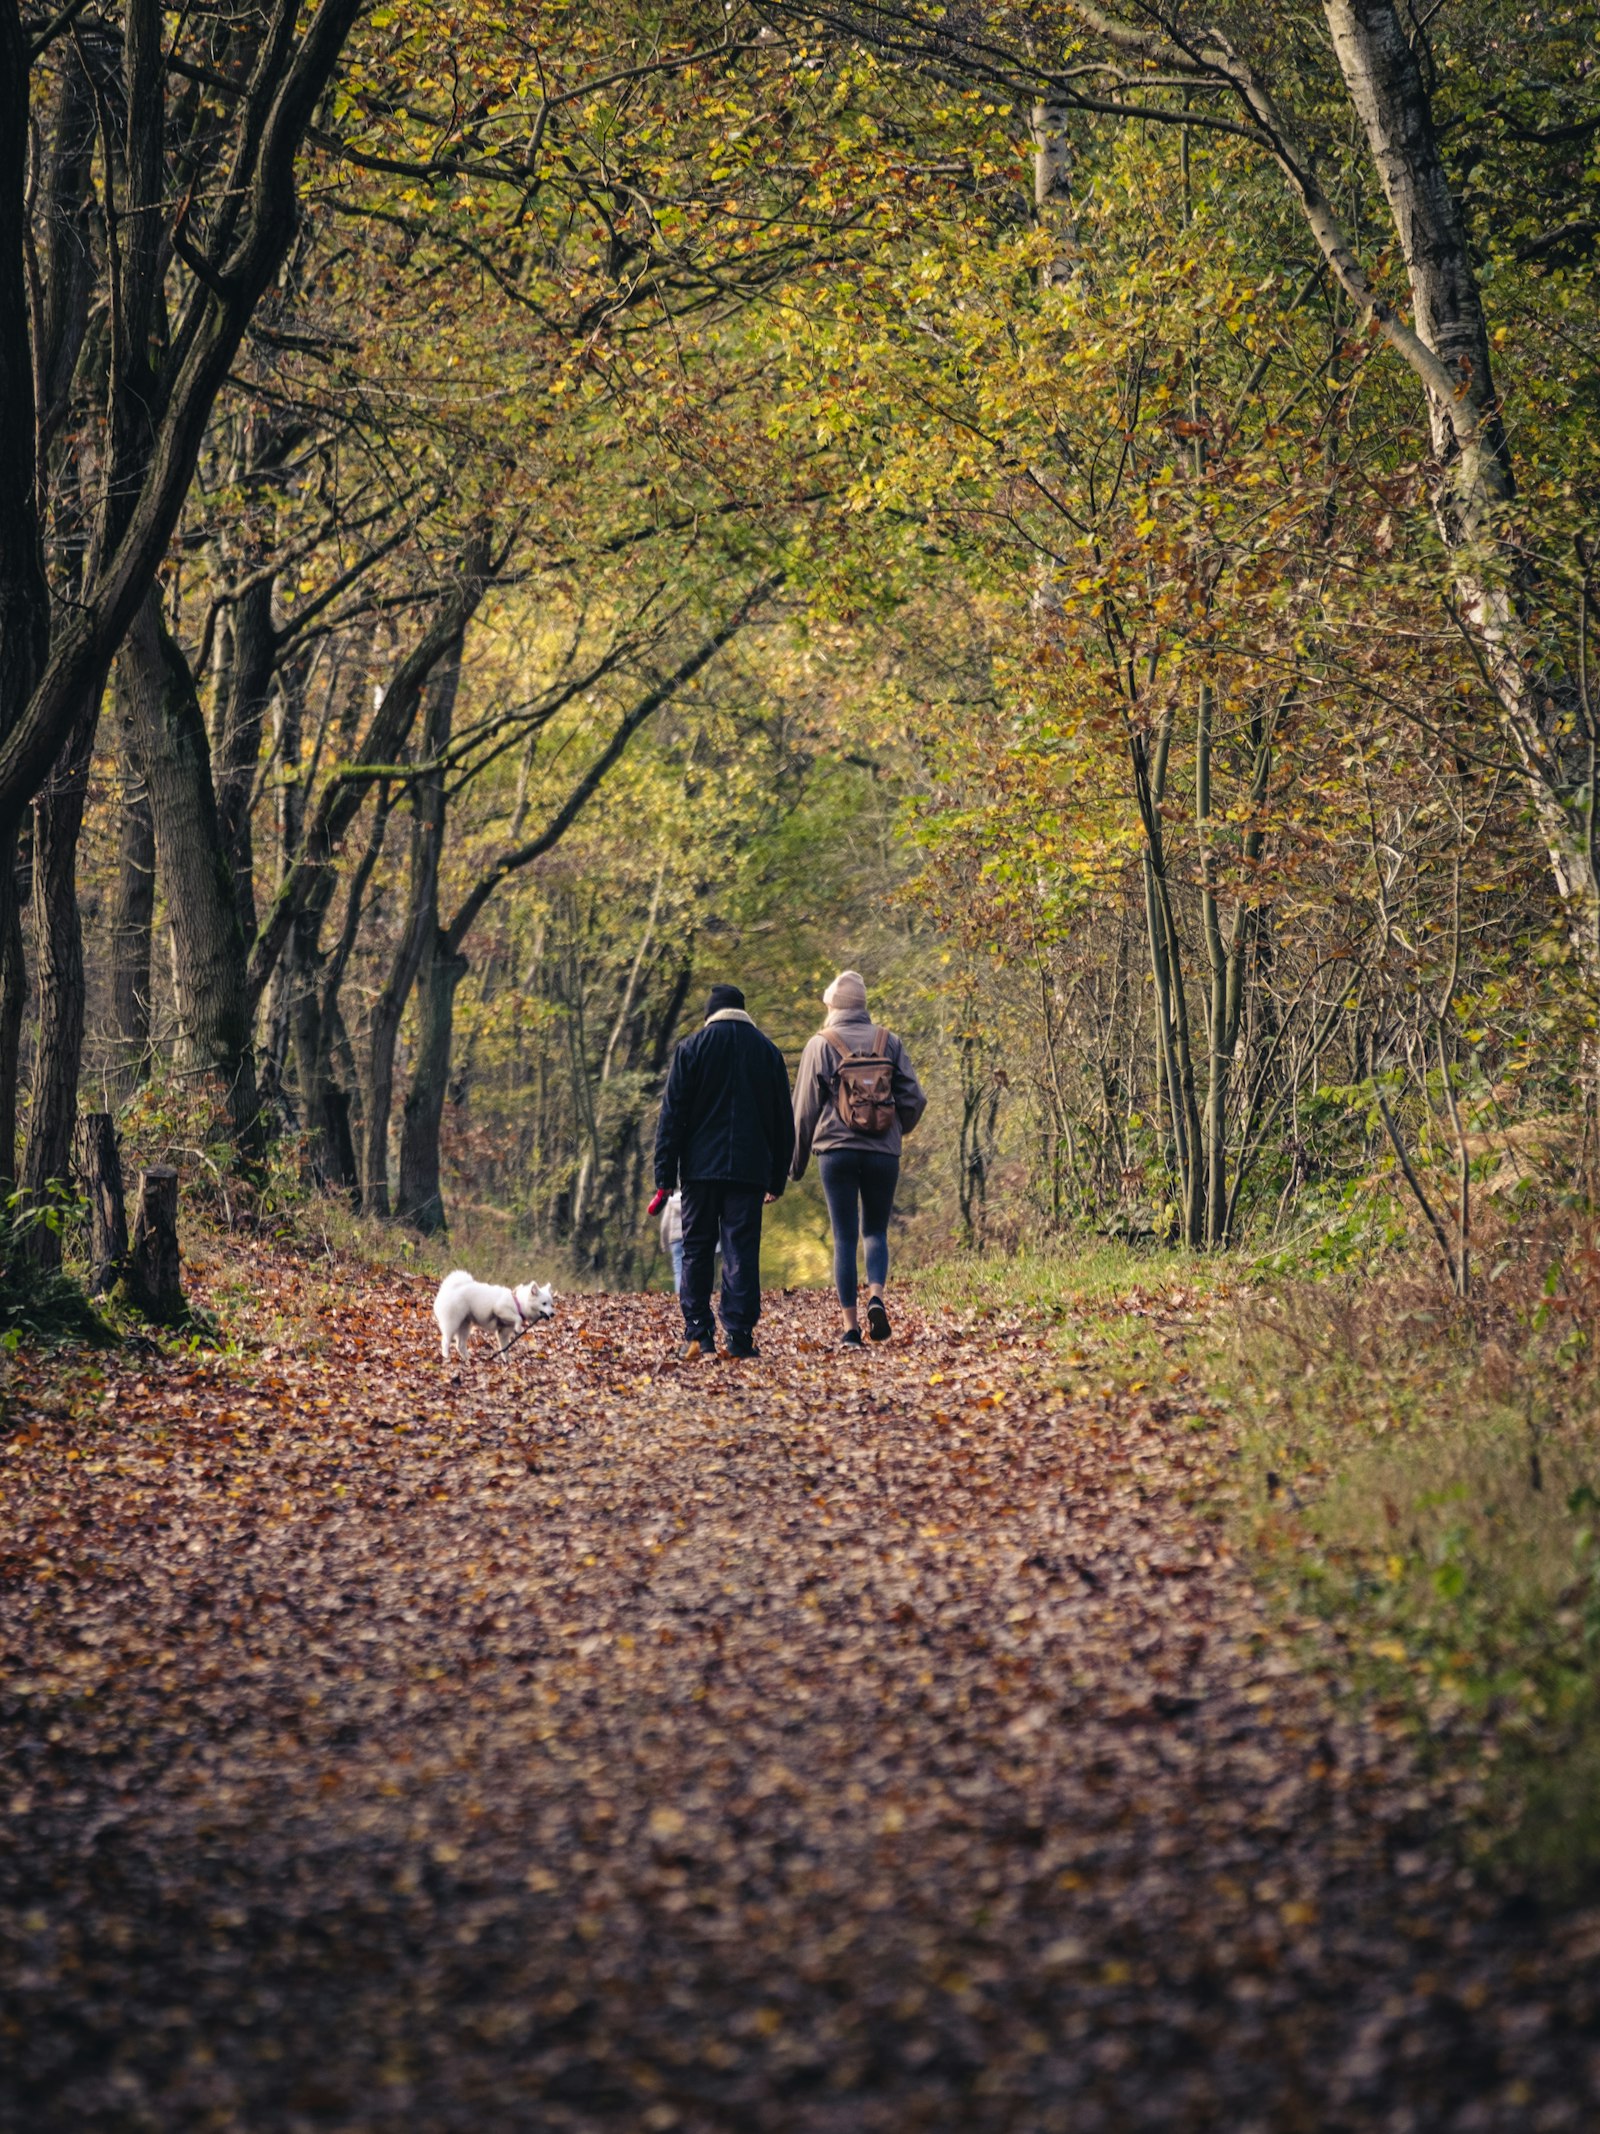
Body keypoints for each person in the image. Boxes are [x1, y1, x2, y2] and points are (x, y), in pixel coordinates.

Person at [652, 982, 795, 1360]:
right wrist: (777, 1177)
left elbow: (673, 1116)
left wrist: (664, 1175)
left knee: (696, 1250)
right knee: (740, 1250)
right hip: (749, 1172)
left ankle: (699, 1334)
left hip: (699, 1171)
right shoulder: (767, 1052)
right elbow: (784, 1122)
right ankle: (740, 1335)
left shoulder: (692, 1048)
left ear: (710, 1014)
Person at [790, 970, 926, 1346]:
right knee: (875, 1231)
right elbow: (915, 1099)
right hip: (883, 1152)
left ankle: (851, 1328)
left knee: (845, 1237)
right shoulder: (889, 1041)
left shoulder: (820, 1044)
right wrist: (895, 1131)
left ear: (833, 1006)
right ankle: (877, 1297)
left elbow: (803, 1112)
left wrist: (794, 1166)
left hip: (836, 1152)